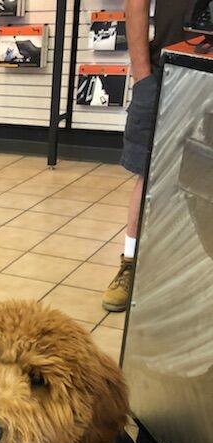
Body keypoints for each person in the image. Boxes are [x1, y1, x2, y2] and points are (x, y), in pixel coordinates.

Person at [102, 0, 192, 311]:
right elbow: (136, 4)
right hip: (166, 69)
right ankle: (131, 263)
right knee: (149, 173)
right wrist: (142, 74)